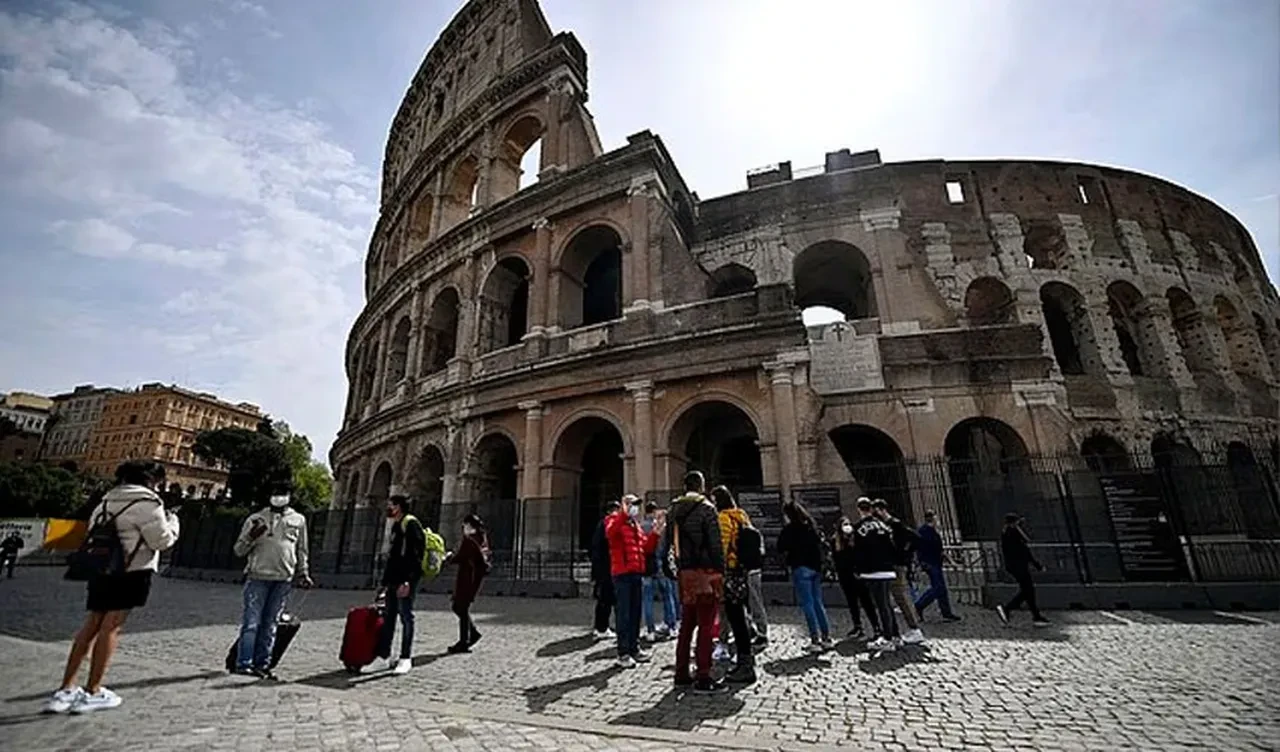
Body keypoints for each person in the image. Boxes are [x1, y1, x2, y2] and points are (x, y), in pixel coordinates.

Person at [44, 461, 179, 714]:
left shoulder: (105, 501)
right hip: (131, 571)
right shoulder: (148, 504)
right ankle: (93, 690)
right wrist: (173, 523)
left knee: (92, 624)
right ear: (151, 481)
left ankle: (65, 689)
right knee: (111, 627)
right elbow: (161, 541)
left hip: (101, 569)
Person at [231, 488, 313, 678]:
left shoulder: (298, 520)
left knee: (271, 624)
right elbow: (239, 550)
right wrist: (251, 536)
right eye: (275, 493)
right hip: (257, 577)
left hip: (283, 579)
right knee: (251, 623)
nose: (278, 497)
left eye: (282, 493)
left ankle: (263, 664)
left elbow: (302, 550)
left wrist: (303, 573)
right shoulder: (256, 518)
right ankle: (244, 664)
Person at [668, 471, 725, 694]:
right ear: (701, 486)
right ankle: (703, 675)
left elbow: (668, 545)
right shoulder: (707, 508)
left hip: (685, 573)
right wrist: (721, 570)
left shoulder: (674, 509)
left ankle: (681, 673)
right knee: (706, 625)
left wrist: (673, 570)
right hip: (705, 573)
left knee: (687, 624)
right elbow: (715, 543)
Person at [605, 494, 660, 668]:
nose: (635, 507)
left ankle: (634, 648)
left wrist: (656, 534)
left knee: (635, 613)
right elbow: (611, 533)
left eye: (636, 504)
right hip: (622, 573)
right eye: (631, 504)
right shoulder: (613, 520)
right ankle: (623, 653)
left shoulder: (635, 525)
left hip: (637, 572)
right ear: (624, 505)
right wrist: (623, 514)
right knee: (624, 614)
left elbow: (645, 547)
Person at [710, 485, 756, 684]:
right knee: (742, 616)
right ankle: (746, 659)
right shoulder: (741, 515)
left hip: (730, 573)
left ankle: (745, 666)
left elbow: (721, 545)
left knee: (735, 617)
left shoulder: (723, 518)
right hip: (743, 572)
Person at [376, 494, 425, 674]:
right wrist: (384, 583)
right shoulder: (397, 525)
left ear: (399, 507)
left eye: (391, 505)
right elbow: (393, 557)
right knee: (389, 617)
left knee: (406, 617)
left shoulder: (411, 524)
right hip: (393, 580)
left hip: (405, 580)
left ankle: (405, 658)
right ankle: (384, 657)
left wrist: (408, 581)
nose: (388, 508)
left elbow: (415, 556)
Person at [776, 501, 833, 652]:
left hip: (801, 567)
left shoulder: (790, 529)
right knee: (818, 602)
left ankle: (814, 639)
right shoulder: (811, 526)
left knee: (807, 604)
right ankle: (826, 637)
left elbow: (780, 546)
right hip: (816, 567)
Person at [872, 499, 926, 645]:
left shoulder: (895, 524)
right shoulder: (885, 525)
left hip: (897, 565)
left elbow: (916, 538)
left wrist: (904, 555)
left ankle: (915, 629)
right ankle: (896, 631)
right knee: (894, 598)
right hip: (890, 566)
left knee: (901, 597)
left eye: (877, 511)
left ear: (883, 510)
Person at [851, 498, 900, 653]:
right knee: (887, 604)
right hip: (887, 568)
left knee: (881, 605)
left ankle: (887, 639)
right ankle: (895, 635)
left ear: (859, 509)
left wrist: (858, 570)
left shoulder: (859, 528)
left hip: (872, 571)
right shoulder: (883, 526)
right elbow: (892, 547)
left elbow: (858, 552)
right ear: (871, 509)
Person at [831, 514, 879, 640]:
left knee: (866, 601)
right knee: (852, 602)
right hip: (845, 576)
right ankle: (858, 626)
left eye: (848, 524)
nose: (847, 527)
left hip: (858, 575)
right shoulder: (835, 541)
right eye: (844, 524)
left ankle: (876, 627)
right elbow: (836, 559)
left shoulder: (856, 538)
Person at [996, 513, 1049, 626]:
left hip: (1014, 566)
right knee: (1027, 590)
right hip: (1018, 566)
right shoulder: (1014, 533)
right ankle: (1008, 608)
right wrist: (1037, 565)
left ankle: (1036, 616)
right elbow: (1025, 551)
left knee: (1028, 590)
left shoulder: (1006, 532)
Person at [447, 513, 490, 653]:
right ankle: (471, 635)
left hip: (467, 578)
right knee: (459, 607)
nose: (463, 528)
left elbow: (461, 556)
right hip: (474, 578)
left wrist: (448, 558)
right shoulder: (481, 539)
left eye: (464, 525)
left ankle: (464, 641)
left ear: (470, 526)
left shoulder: (469, 540)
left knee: (460, 608)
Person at [913, 510, 960, 622]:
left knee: (941, 589)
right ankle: (919, 605)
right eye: (936, 519)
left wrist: (951, 561)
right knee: (938, 588)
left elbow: (940, 551)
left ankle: (946, 613)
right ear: (933, 519)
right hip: (930, 563)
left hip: (934, 562)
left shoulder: (930, 532)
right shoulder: (925, 532)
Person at [641, 502, 678, 641]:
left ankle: (650, 630)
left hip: (648, 566)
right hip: (662, 564)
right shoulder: (663, 527)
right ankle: (672, 627)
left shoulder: (641, 526)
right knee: (668, 597)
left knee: (648, 599)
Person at [589, 501, 619, 640]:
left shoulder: (602, 525)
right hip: (606, 569)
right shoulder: (606, 525)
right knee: (605, 599)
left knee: (605, 599)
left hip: (604, 568)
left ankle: (601, 626)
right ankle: (601, 628)